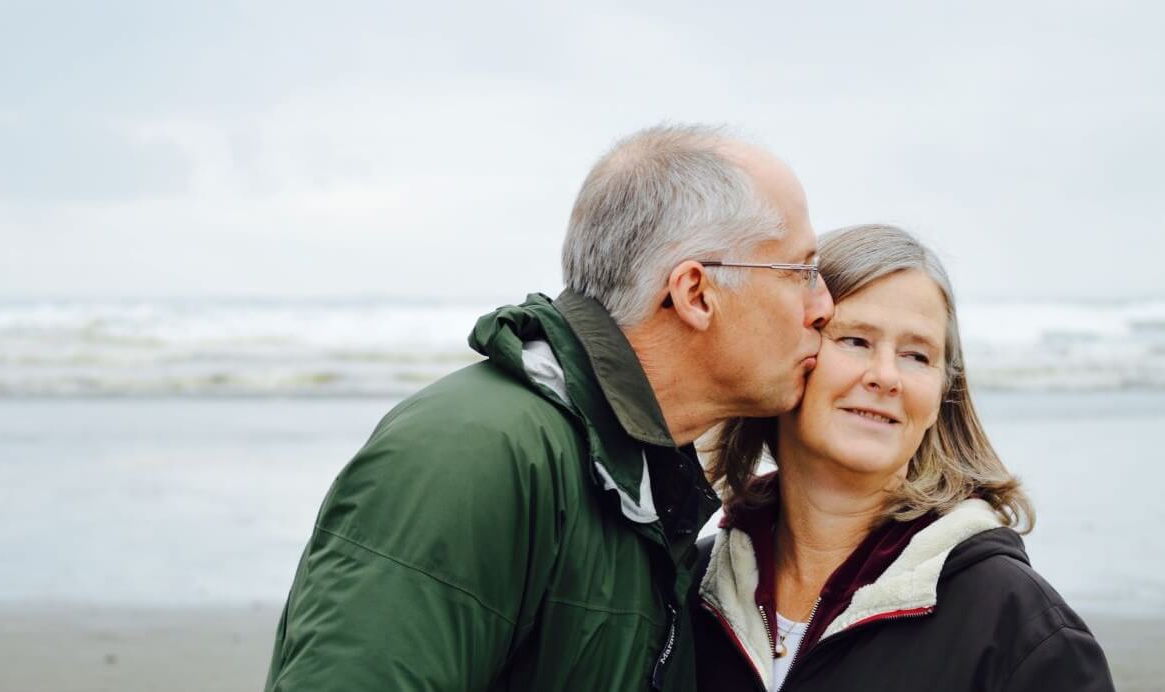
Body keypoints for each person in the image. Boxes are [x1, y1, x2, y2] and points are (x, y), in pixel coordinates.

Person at [263, 124, 834, 691]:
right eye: (801, 272)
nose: (823, 307)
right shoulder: (474, 453)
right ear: (694, 293)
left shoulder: (635, 478)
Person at [691, 223, 1115, 691]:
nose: (887, 376)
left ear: (940, 395)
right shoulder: (693, 589)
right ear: (789, 354)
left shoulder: (1020, 626)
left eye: (917, 355)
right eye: (855, 341)